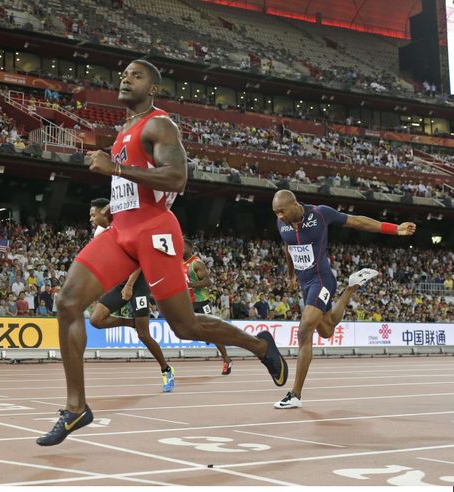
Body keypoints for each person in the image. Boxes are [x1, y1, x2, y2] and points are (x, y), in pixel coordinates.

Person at [37, 59, 288, 446]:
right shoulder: (123, 131)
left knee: (184, 327)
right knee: (67, 302)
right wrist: (114, 204)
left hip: (155, 231)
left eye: (135, 75)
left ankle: (259, 345)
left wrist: (116, 172)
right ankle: (76, 408)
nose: (124, 78)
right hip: (121, 231)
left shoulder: (159, 124)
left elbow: (178, 179)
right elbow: (135, 185)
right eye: (122, 74)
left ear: (153, 88)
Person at [271, 190, 416, 409]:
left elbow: (357, 221)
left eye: (282, 211)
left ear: (294, 205)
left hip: (321, 280)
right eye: (276, 212)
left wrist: (394, 229)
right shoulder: (282, 223)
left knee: (304, 330)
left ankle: (295, 394)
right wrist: (291, 275)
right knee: (326, 330)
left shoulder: (319, 214)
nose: (279, 216)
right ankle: (351, 287)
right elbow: (288, 247)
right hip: (305, 283)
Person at [87, 198, 176, 392]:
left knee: (144, 334)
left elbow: (139, 259)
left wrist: (129, 285)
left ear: (105, 211)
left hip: (138, 283)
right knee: (96, 319)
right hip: (120, 282)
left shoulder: (125, 225)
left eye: (94, 215)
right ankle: (131, 323)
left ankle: (166, 369)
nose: (91, 219)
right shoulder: (100, 233)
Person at [182, 238, 233, 375]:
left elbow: (207, 282)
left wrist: (190, 285)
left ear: (189, 248)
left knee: (213, 331)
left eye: (181, 247)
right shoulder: (178, 263)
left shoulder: (196, 263)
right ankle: (205, 335)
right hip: (188, 302)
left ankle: (226, 359)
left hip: (202, 302)